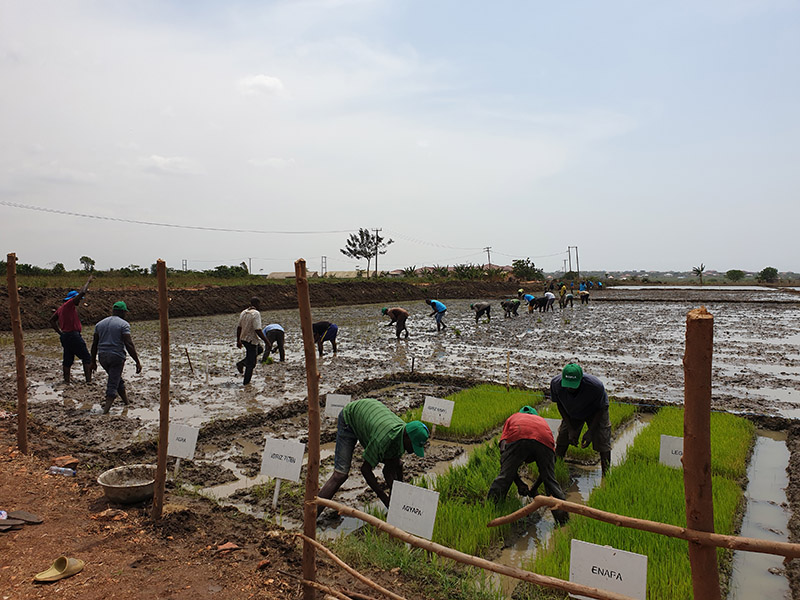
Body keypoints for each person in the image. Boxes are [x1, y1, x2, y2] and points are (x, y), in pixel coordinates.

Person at [317, 398, 430, 513]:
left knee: (394, 463)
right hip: (350, 417)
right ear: (407, 437)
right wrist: (385, 499)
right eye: (413, 446)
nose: (412, 451)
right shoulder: (382, 439)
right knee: (340, 475)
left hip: (371, 413)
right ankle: (310, 516)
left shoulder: (402, 433)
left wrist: (397, 496)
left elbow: (394, 467)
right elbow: (365, 470)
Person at [487, 406, 569, 525]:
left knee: (504, 477)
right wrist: (533, 488)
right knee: (550, 481)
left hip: (519, 436)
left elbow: (503, 449)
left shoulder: (513, 417)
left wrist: (517, 481)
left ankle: (491, 511)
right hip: (544, 441)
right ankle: (563, 522)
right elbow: (547, 470)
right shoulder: (542, 422)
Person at [550, 363, 611, 474]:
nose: (569, 388)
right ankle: (555, 470)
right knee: (562, 439)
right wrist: (570, 428)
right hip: (572, 410)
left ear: (581, 380)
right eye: (567, 385)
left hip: (595, 411)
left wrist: (590, 432)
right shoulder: (556, 384)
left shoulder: (595, 386)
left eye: (573, 385)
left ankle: (606, 476)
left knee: (602, 440)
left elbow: (601, 408)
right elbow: (559, 404)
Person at [90, 301, 142, 414]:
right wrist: (137, 361)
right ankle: (106, 411)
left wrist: (93, 361)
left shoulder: (100, 324)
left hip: (103, 357)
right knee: (113, 383)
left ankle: (126, 403)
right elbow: (129, 344)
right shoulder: (124, 324)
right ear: (123, 312)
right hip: (116, 357)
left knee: (116, 378)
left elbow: (94, 344)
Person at [49, 275, 93, 383]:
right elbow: (82, 292)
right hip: (73, 335)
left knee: (68, 359)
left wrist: (60, 333)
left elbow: (52, 320)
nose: (79, 302)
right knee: (87, 358)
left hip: (65, 336)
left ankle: (67, 381)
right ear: (72, 299)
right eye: (78, 300)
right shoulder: (69, 305)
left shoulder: (61, 308)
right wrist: (88, 281)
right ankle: (88, 381)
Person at [236, 297, 268, 384]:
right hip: (251, 341)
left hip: (244, 339)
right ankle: (246, 383)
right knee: (251, 364)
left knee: (260, 349)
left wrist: (238, 340)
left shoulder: (244, 312)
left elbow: (239, 327)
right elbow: (258, 330)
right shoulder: (256, 314)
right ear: (257, 304)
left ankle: (242, 362)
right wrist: (266, 341)